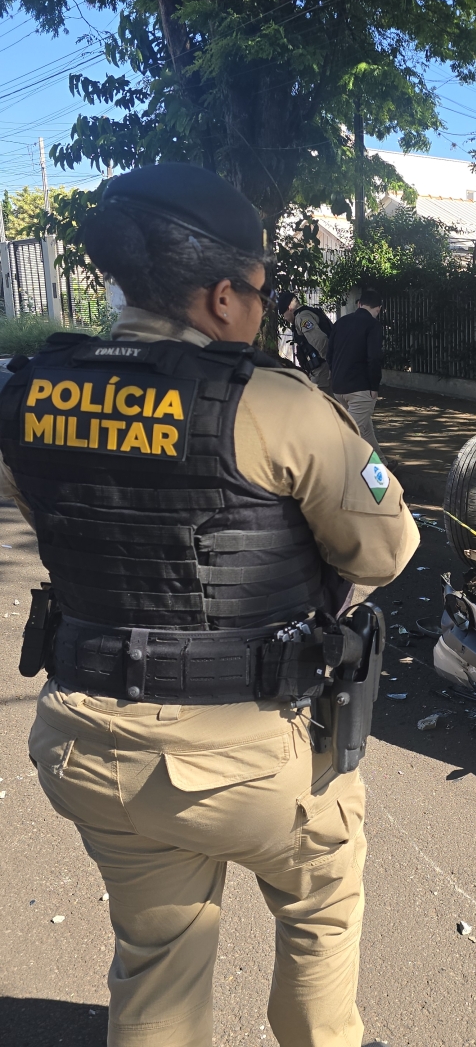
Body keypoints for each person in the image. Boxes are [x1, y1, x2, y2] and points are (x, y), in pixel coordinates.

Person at [0, 162, 417, 1047]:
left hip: (86, 745)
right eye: (264, 292)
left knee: (155, 956)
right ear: (224, 296)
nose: (264, 310)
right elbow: (389, 546)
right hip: (251, 760)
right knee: (322, 897)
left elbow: (63, 521)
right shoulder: (277, 404)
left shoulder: (28, 391)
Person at [328, 288, 383, 452]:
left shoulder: (340, 322)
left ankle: (382, 466)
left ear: (359, 304)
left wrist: (335, 376)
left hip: (339, 387)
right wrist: (374, 387)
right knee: (350, 435)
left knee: (365, 431)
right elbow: (374, 358)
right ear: (378, 308)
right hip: (361, 389)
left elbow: (329, 354)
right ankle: (333, 471)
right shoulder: (373, 325)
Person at [279, 289, 335, 393]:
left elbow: (320, 341)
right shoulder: (307, 313)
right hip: (322, 369)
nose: (284, 318)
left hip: (322, 371)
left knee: (319, 405)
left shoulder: (302, 317)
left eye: (283, 314)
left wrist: (332, 364)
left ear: (289, 308)